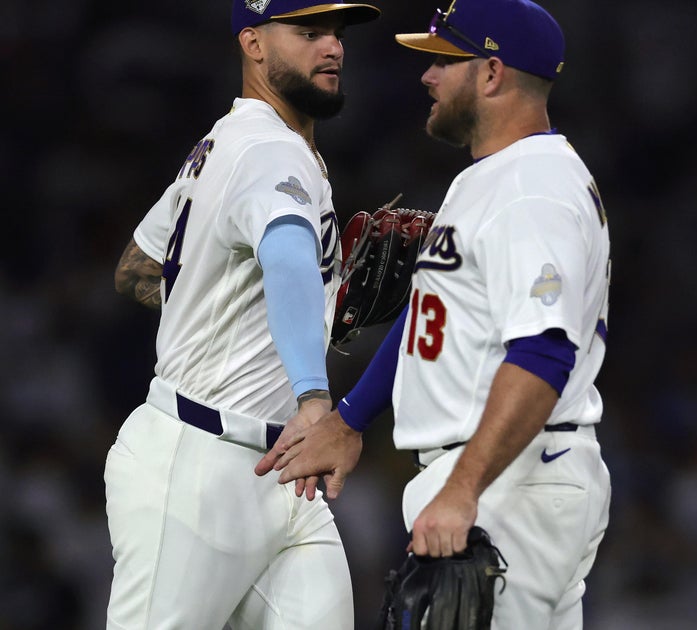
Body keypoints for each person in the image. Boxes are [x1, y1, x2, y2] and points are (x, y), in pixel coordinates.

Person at [256, 0, 613, 626]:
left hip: (511, 480)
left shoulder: (533, 190)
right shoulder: (493, 177)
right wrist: (349, 418)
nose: (427, 75)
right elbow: (430, 314)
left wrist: (464, 487)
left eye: (445, 60)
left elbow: (545, 353)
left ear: (493, 74)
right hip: (505, 478)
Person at [106, 1, 380, 628]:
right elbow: (285, 258)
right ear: (253, 44)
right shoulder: (267, 149)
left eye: (336, 34)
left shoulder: (226, 142)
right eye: (309, 32)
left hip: (282, 473)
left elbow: (136, 270)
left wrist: (310, 319)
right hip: (199, 466)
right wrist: (315, 396)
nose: (332, 47)